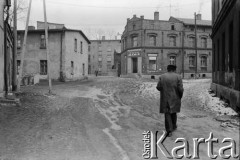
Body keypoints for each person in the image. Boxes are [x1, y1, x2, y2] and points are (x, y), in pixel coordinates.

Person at [156, 65, 184, 137]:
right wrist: (180, 96)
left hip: (165, 98)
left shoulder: (162, 77)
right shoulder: (178, 77)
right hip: (175, 98)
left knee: (167, 113)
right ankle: (174, 126)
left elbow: (158, 87)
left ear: (167, 69)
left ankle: (169, 131)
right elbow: (180, 89)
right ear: (174, 70)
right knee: (174, 112)